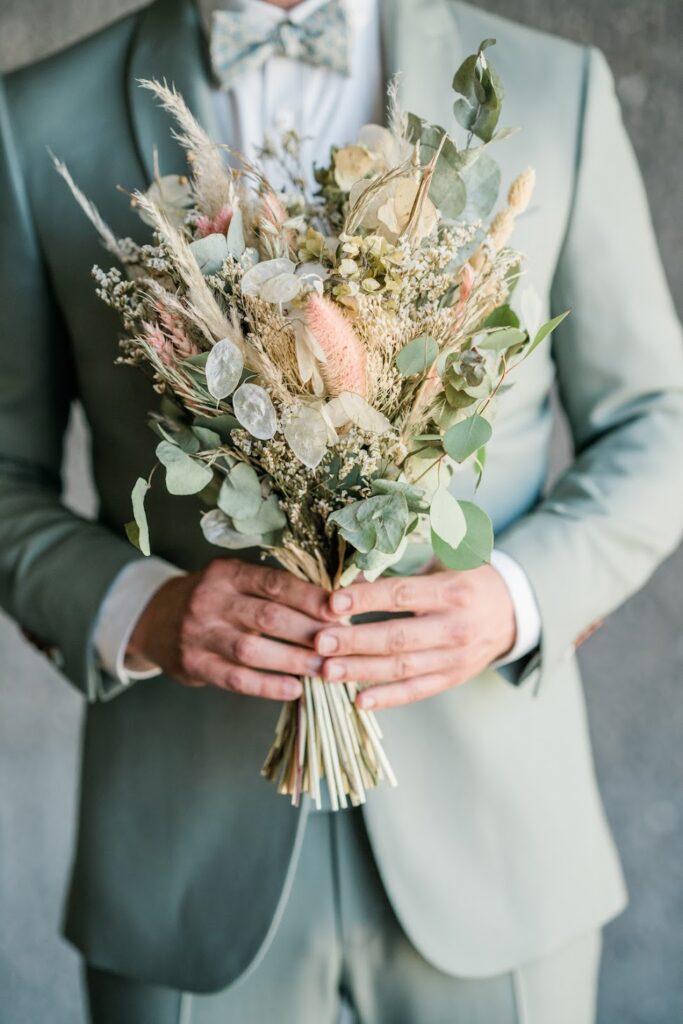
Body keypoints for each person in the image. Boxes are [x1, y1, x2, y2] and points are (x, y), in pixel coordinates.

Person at [1, 0, 681, 1021]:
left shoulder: (554, 92)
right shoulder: (37, 120)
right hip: (183, 864)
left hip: (497, 845)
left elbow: (656, 421)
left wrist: (514, 597)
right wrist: (140, 609)